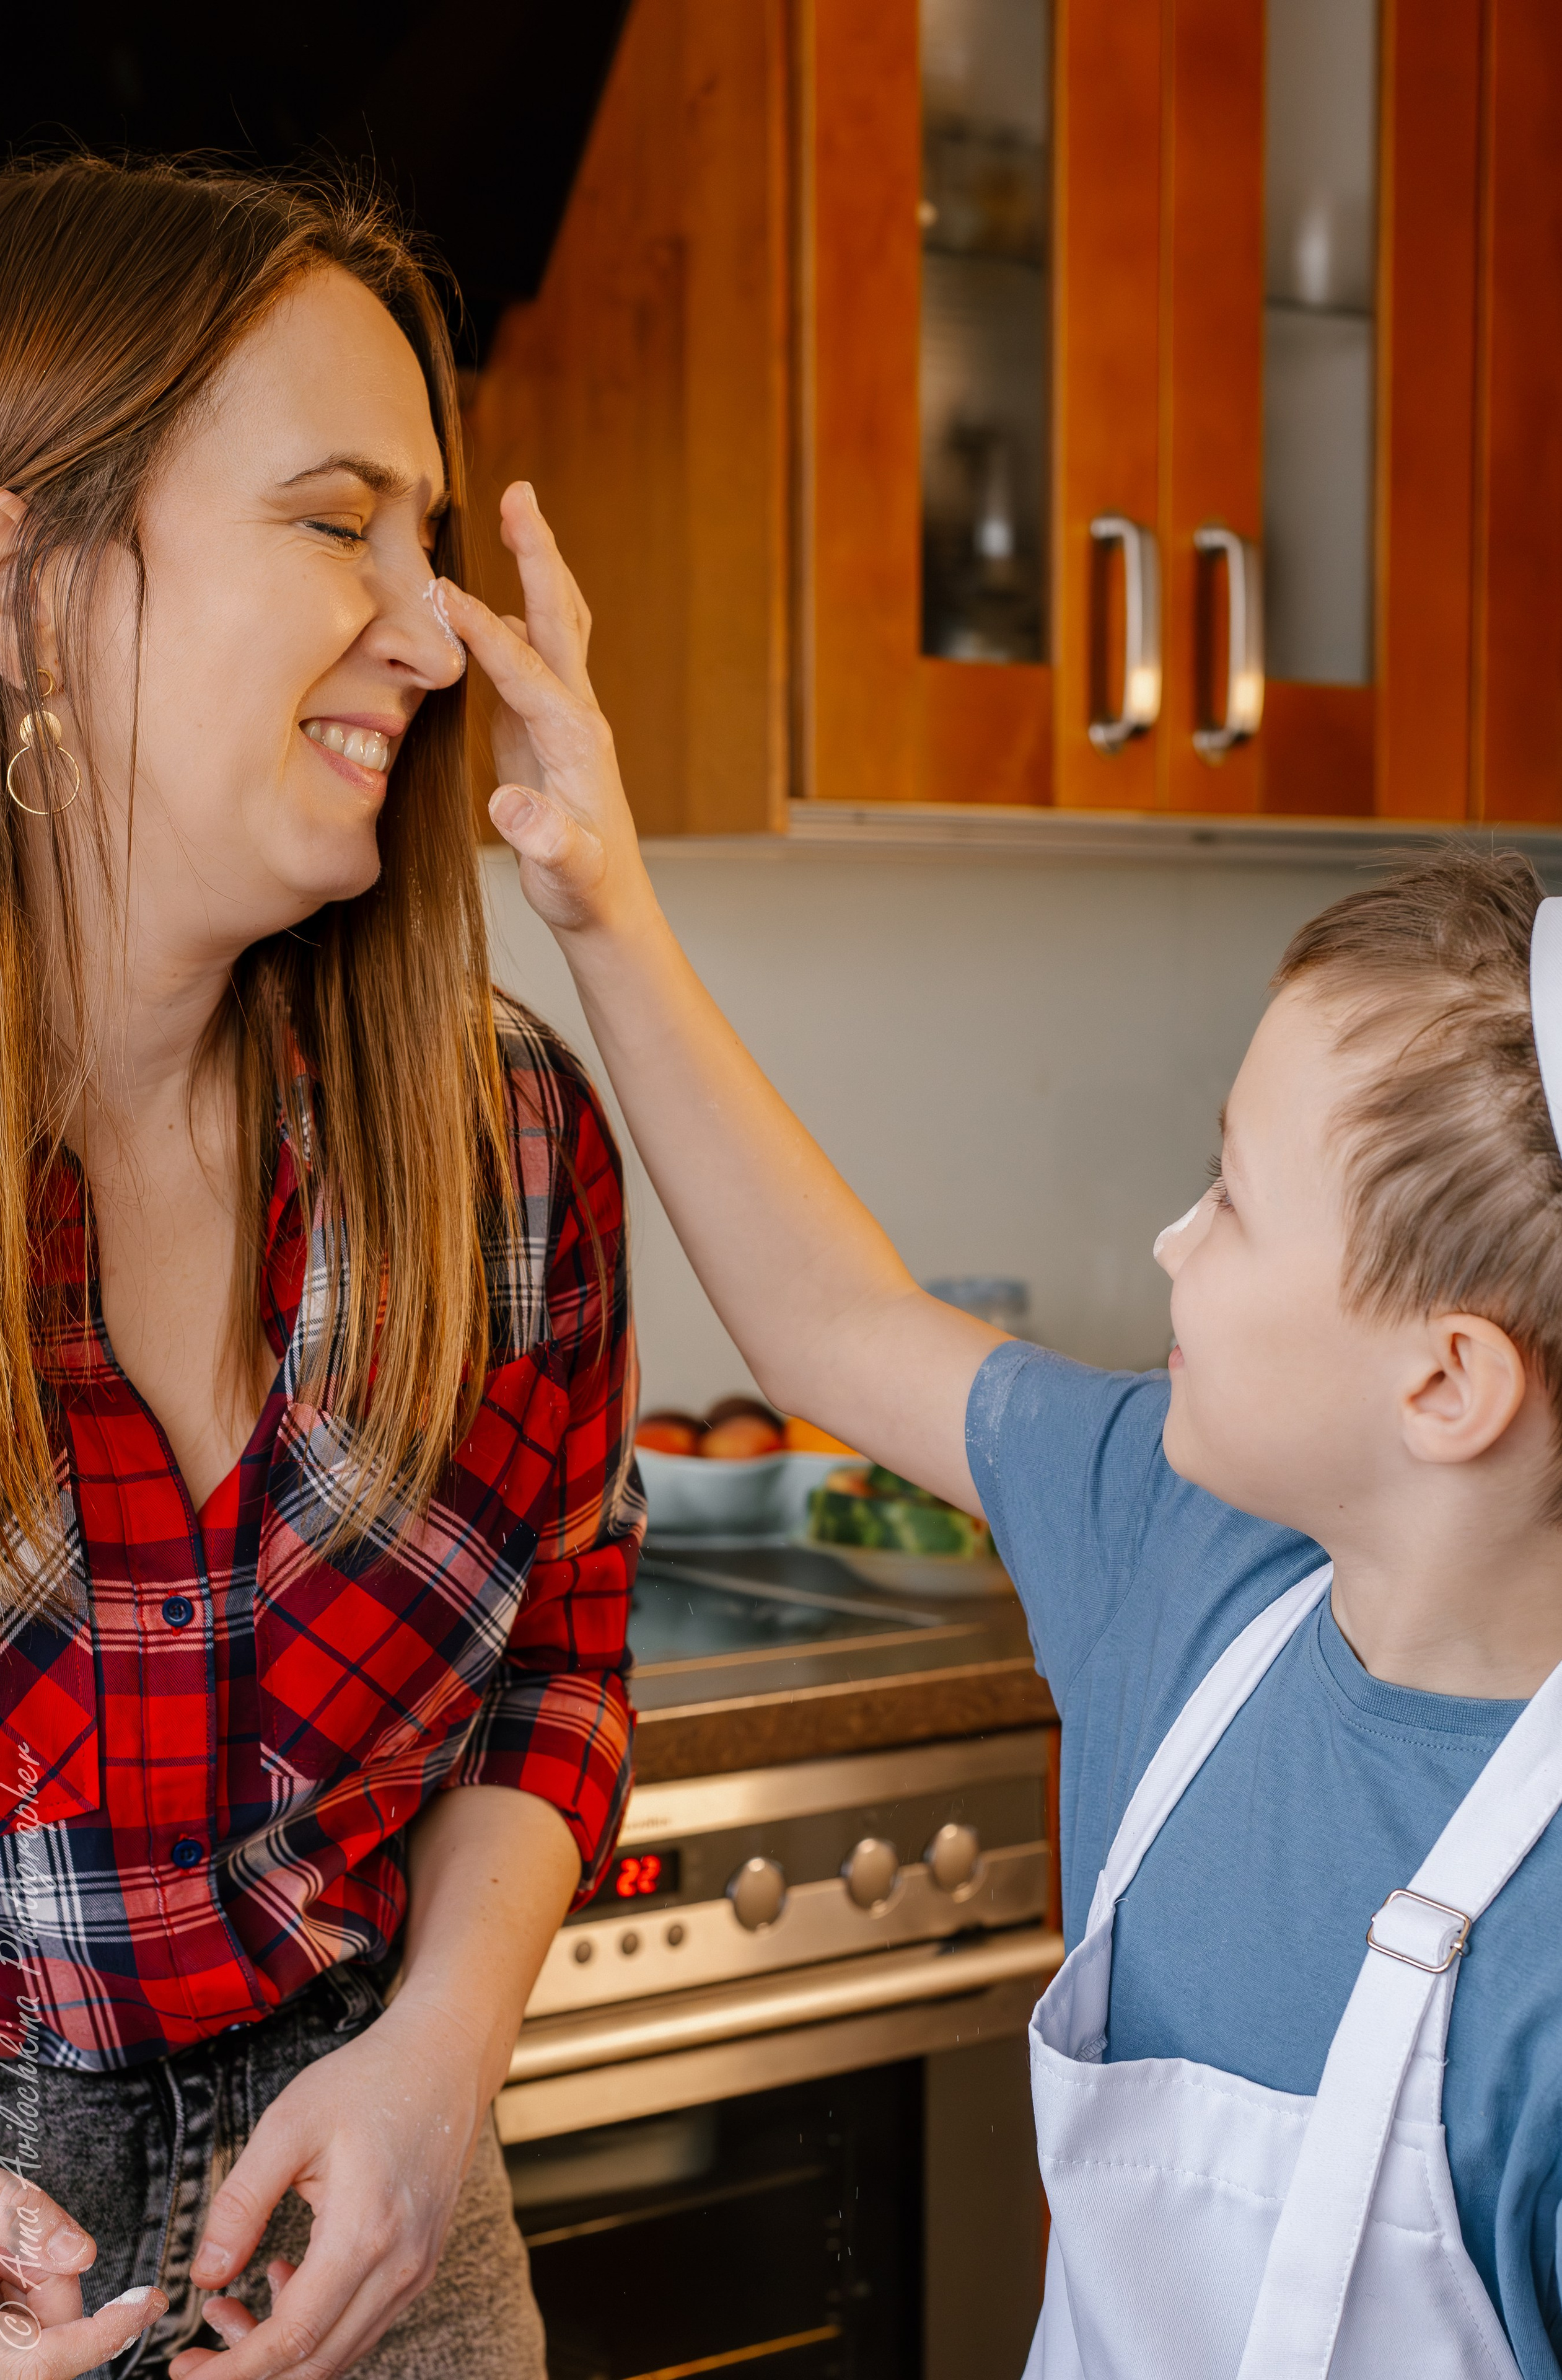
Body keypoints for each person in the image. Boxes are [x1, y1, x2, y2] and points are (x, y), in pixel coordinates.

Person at [442, 495, 1562, 2378]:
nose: (1167, 1244)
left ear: (1446, 1387)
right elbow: (834, 1322)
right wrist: (603, 902)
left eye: (1228, 1202)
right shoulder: (1185, 1547)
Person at [0, 160, 639, 2378]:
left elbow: (555, 1648)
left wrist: (446, 2060)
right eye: (336, 521)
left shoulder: (500, 1138)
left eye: (428, 542)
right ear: (18, 583)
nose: (434, 627)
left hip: (392, 2241)